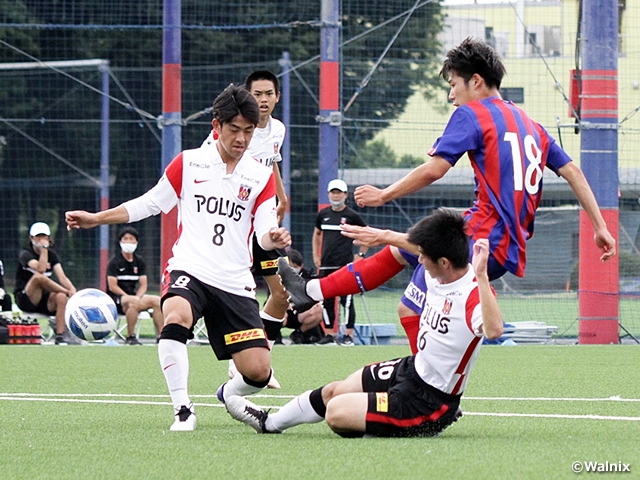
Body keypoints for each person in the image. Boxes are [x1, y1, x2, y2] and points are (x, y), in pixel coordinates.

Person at [277, 38, 616, 349]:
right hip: (492, 238)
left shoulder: (472, 114)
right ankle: (311, 291)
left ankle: (426, 390)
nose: (452, 95)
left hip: (481, 241)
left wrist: (384, 195)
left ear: (476, 81)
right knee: (400, 253)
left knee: (410, 311)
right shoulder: (529, 123)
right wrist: (600, 226)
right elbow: (572, 171)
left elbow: (435, 169)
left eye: (454, 84)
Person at [65, 84, 291, 431]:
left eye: (249, 131)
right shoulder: (189, 162)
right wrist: (98, 218)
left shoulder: (259, 176)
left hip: (234, 281)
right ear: (217, 126)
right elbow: (149, 203)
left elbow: (263, 229)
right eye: (234, 130)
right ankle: (183, 409)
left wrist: (273, 236)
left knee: (259, 373)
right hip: (191, 268)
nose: (242, 139)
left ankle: (230, 395)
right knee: (176, 314)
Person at [226, 209, 504, 438]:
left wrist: (481, 276)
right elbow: (413, 246)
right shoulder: (441, 268)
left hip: (431, 400)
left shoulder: (471, 293)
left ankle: (413, 424)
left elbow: (494, 330)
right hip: (410, 370)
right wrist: (383, 235)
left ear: (443, 262)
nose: (419, 259)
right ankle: (268, 423)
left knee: (338, 412)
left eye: (423, 257)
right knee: (336, 390)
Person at [204, 71, 289, 381]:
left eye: (269, 93)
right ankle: (242, 361)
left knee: (282, 294)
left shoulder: (277, 130)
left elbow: (272, 163)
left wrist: (281, 196)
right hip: (234, 227)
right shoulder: (230, 136)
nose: (263, 99)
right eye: (257, 94)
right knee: (244, 292)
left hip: (263, 225)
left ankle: (259, 356)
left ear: (277, 97)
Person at [313, 179, 368, 345]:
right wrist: (316, 256)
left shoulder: (352, 216)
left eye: (339, 193)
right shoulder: (323, 215)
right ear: (329, 194)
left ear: (345, 195)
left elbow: (366, 235)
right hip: (325, 265)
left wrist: (360, 255)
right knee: (327, 301)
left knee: (347, 301)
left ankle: (348, 336)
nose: (336, 196)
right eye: (333, 192)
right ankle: (329, 335)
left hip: (345, 266)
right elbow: (316, 234)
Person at [14, 222, 77, 345]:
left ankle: (60, 335)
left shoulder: (52, 255)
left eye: (44, 237)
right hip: (26, 299)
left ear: (48, 238)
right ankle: (66, 292)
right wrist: (44, 249)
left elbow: (62, 277)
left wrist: (73, 291)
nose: (41, 240)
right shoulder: (25, 254)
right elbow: (40, 269)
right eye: (38, 237)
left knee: (61, 297)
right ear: (31, 238)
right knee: (39, 278)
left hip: (44, 300)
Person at [106, 226, 164, 345]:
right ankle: (130, 337)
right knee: (132, 303)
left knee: (157, 301)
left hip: (135, 297)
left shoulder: (139, 262)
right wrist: (128, 297)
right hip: (118, 299)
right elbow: (112, 286)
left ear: (136, 242)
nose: (128, 242)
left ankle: (161, 337)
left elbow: (143, 285)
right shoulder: (114, 262)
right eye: (125, 239)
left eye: (131, 239)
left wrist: (138, 296)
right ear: (120, 242)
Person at [283, 249, 323, 345]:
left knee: (319, 310)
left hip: (303, 313)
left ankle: (298, 334)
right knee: (278, 309)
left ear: (301, 266)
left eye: (295, 267)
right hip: (286, 314)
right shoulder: (277, 277)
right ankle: (275, 337)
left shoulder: (309, 277)